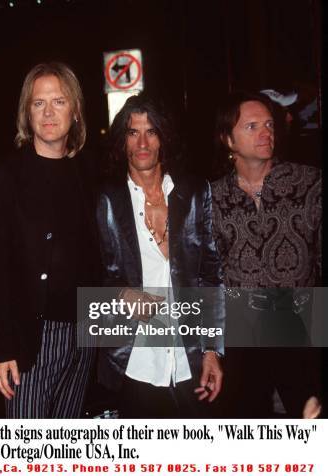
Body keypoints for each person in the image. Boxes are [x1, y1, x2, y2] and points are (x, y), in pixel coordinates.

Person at [95, 93, 224, 418]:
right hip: (133, 360)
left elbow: (210, 276)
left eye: (151, 131)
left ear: (164, 138)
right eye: (132, 132)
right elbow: (89, 272)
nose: (142, 142)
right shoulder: (106, 200)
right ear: (121, 141)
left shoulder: (195, 192)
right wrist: (121, 293)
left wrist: (211, 350)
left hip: (189, 357)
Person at [0, 62, 100, 418]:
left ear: (75, 111)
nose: (48, 112)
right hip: (30, 339)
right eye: (38, 103)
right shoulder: (4, 176)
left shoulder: (91, 172)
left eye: (59, 101)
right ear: (26, 113)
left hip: (84, 333)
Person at [212, 90, 322, 418]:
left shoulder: (311, 184)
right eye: (252, 126)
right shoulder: (212, 198)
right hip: (241, 337)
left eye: (269, 124)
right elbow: (207, 273)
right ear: (228, 140)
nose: (266, 133)